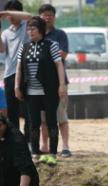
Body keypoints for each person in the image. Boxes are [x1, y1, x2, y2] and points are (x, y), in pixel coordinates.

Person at [14, 16, 67, 158]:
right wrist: (16, 87)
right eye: (28, 29)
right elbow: (19, 68)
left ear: (41, 30)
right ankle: (35, 152)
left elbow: (59, 65)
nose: (30, 32)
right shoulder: (24, 47)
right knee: (33, 123)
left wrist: (62, 85)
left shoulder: (51, 45)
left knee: (51, 122)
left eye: (33, 29)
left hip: (49, 91)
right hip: (31, 92)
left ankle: (53, 152)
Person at [39, 3, 71, 157]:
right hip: (41, 83)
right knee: (44, 119)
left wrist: (45, 54)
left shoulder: (60, 34)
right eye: (45, 14)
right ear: (39, 17)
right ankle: (44, 146)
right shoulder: (36, 34)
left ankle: (65, 146)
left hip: (59, 82)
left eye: (50, 15)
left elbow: (63, 54)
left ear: (54, 17)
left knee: (61, 117)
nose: (47, 17)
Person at [0, 1, 32, 140]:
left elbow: (29, 16)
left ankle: (30, 142)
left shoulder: (28, 27)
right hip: (9, 75)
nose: (10, 17)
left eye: (12, 13)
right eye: (8, 14)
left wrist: (6, 12)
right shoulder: (6, 32)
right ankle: (15, 142)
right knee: (12, 113)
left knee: (28, 112)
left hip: (26, 75)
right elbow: (1, 49)